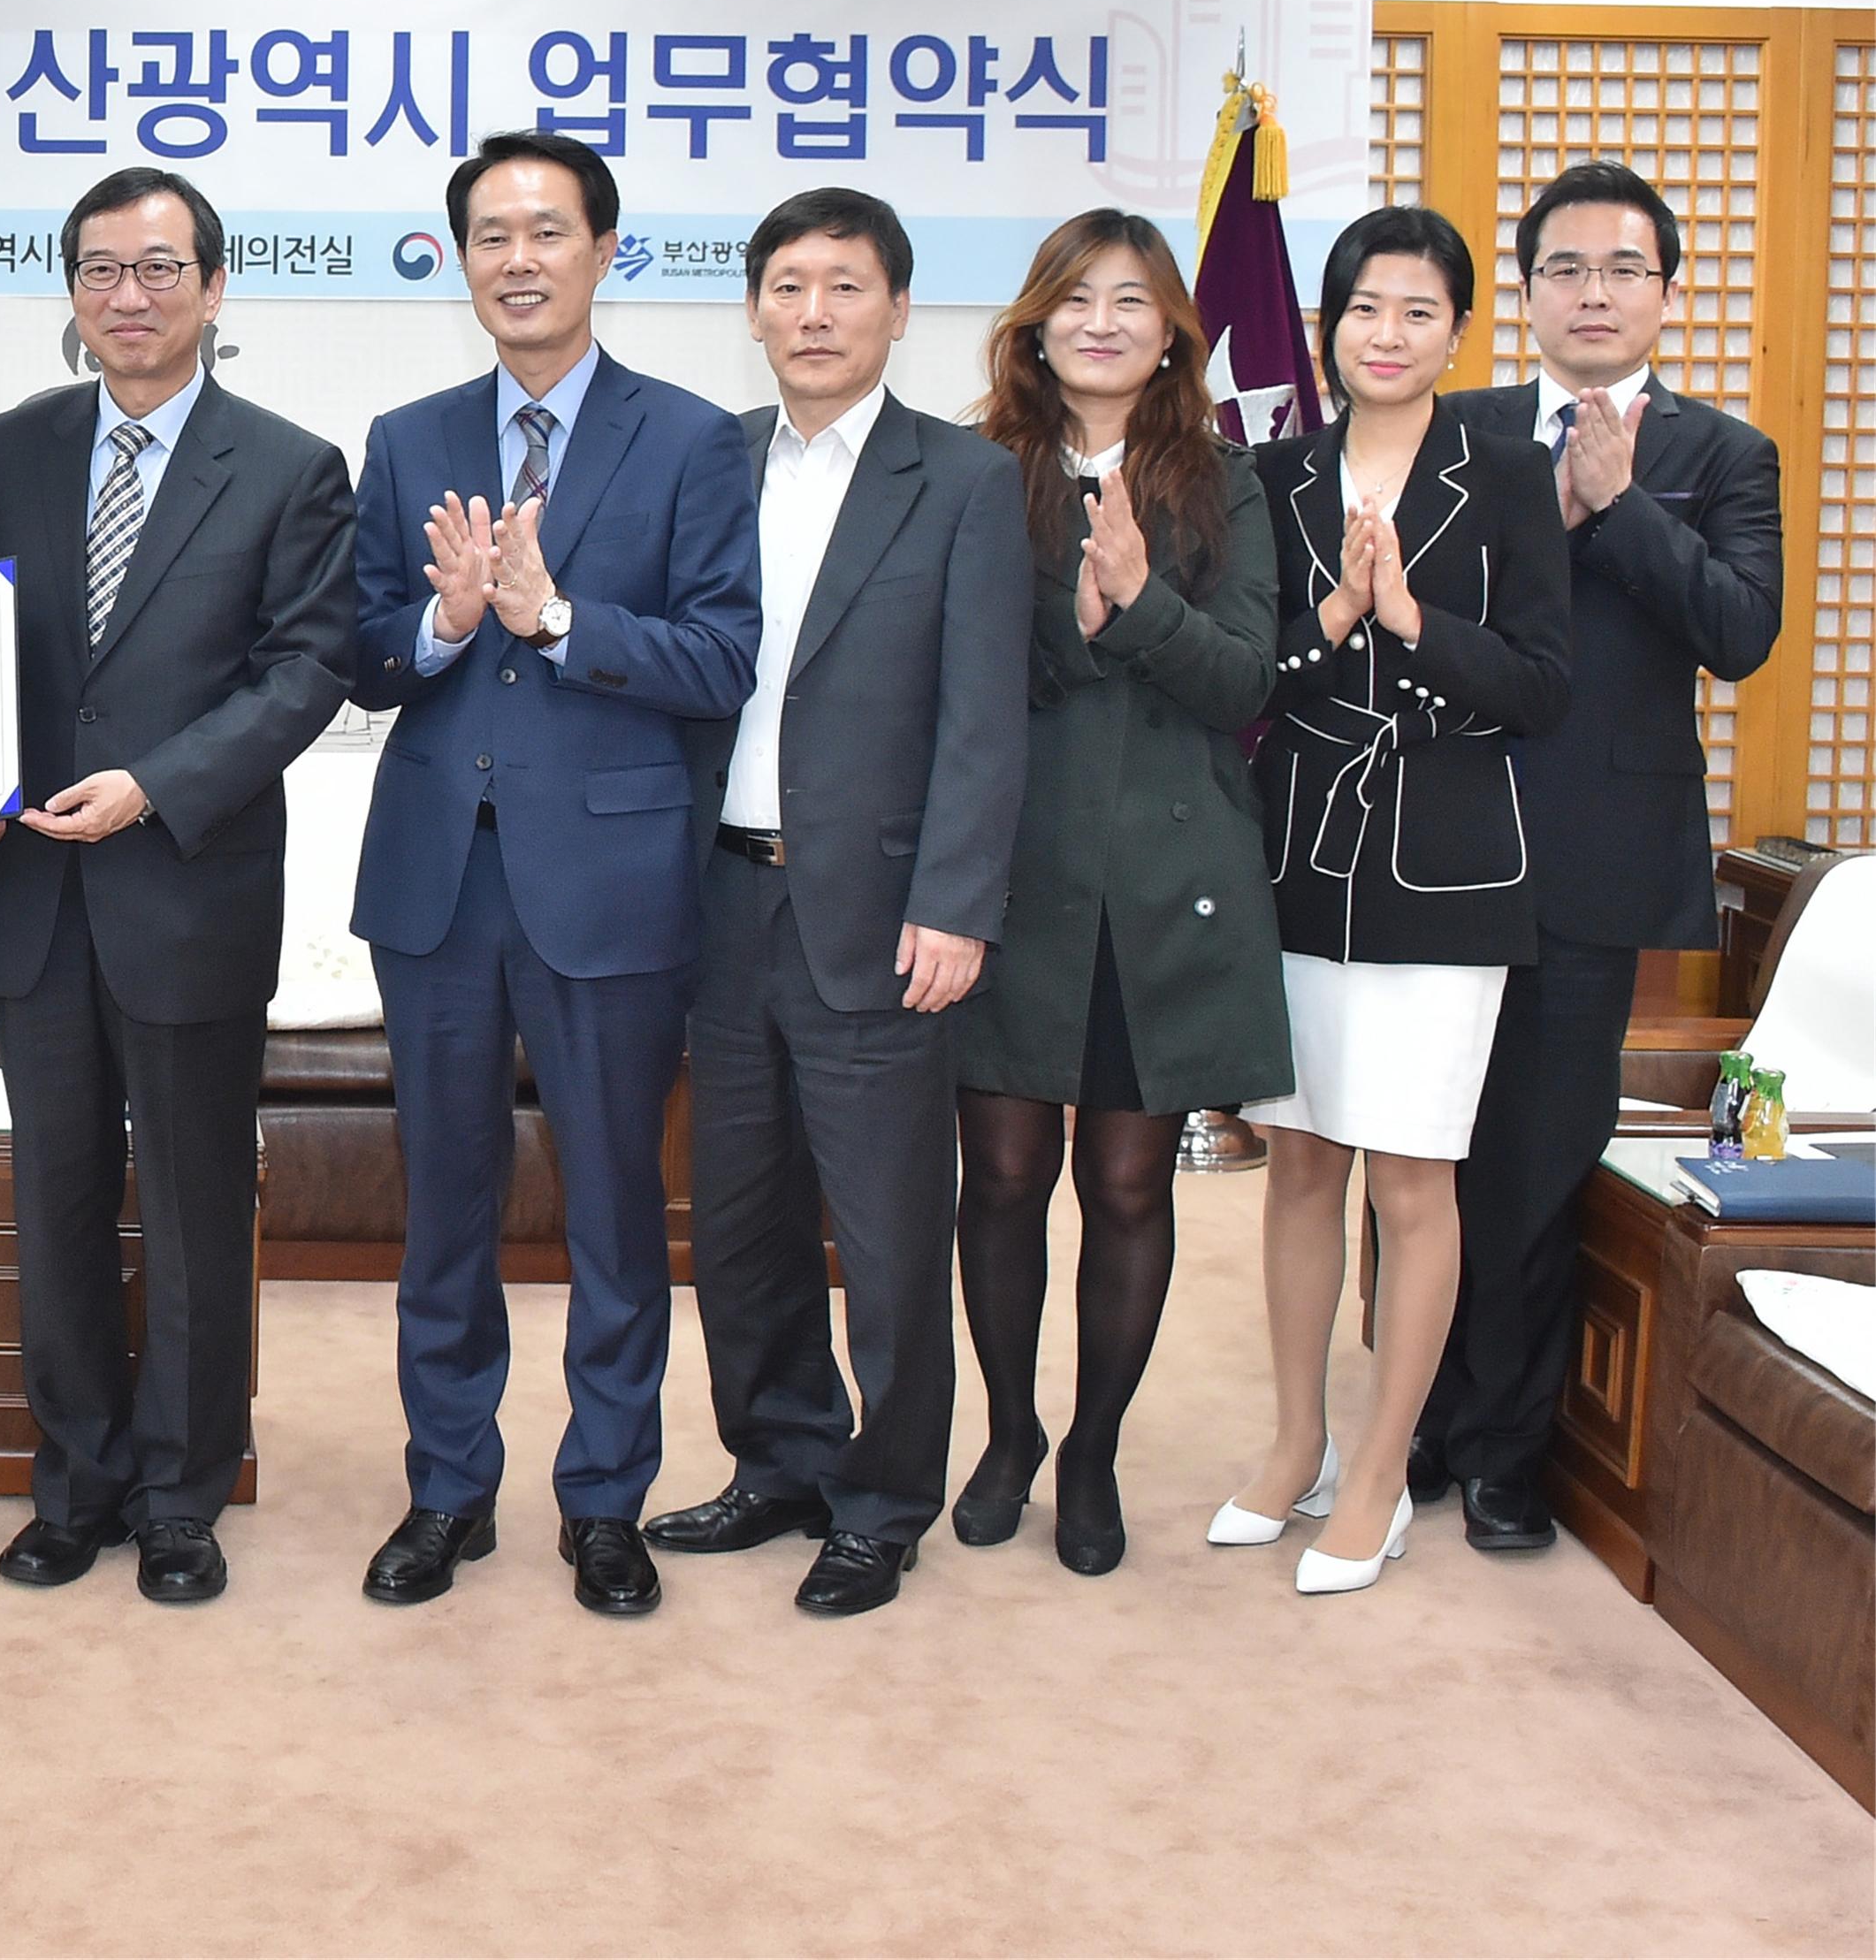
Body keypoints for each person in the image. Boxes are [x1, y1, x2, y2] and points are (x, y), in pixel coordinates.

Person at [346, 133, 759, 1617]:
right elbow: (361, 653)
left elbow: (720, 659)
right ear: (461, 260)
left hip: (611, 878)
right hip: (438, 886)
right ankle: (448, 1491)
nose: (517, 260)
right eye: (490, 236)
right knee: (446, 1206)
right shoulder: (407, 437)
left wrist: (560, 617)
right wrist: (447, 624)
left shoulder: (694, 439)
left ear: (603, 251)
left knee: (614, 1211)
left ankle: (606, 1500)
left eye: (546, 231)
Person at [0, 165, 356, 1606]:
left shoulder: (291, 465)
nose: (129, 296)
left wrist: (159, 783)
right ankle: (76, 1486)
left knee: (191, 1214)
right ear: (72, 291)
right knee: (54, 1205)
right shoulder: (12, 447)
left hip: (189, 888)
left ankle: (183, 1498)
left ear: (213, 287)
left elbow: (308, 668)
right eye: (102, 271)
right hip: (38, 902)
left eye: (160, 269)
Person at [644, 187, 1030, 1619]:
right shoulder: (708, 459)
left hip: (881, 913)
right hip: (718, 903)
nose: (814, 313)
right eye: (789, 286)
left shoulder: (967, 481)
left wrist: (958, 902)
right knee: (740, 1223)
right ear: (753, 308)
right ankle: (781, 1464)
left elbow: (986, 716)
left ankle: (883, 1501)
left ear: (899, 309)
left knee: (886, 1233)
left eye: (845, 286)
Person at [1414, 163, 1783, 1548]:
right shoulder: (1455, 428)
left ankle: (1506, 1452)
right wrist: (1543, 525)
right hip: (1438, 840)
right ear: (1525, 293)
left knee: (1538, 1158)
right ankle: (1418, 1418)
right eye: (1564, 268)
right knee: (1421, 1149)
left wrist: (1624, 509)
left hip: (1597, 854)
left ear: (1667, 294)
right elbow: (1409, 609)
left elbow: (1740, 634)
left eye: (1624, 269)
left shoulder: (1724, 455)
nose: (1593, 293)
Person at [1219, 204, 1573, 1596]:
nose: (1389, 333)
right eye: (1366, 307)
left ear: (1459, 334)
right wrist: (1333, 622)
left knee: (1414, 1177)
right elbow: (1241, 673)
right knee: (1302, 1160)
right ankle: (1296, 1441)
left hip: (1448, 863)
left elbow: (1543, 688)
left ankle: (1379, 1473)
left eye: (1420, 311)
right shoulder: (1274, 473)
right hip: (1299, 851)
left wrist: (1415, 621)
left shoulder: (1509, 476)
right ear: (1329, 325)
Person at [949, 212, 1289, 1577]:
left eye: (1132, 301)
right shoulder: (976, 472)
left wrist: (1141, 607)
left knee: (1130, 1182)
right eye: (1077, 298)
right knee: (1002, 1175)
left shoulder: (1226, 483)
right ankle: (1009, 1433)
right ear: (1036, 326)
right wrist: (1079, 628)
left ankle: (1092, 1452)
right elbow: (950, 668)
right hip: (1013, 870)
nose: (1102, 322)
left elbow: (1246, 681)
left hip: (1165, 881)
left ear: (1170, 335)